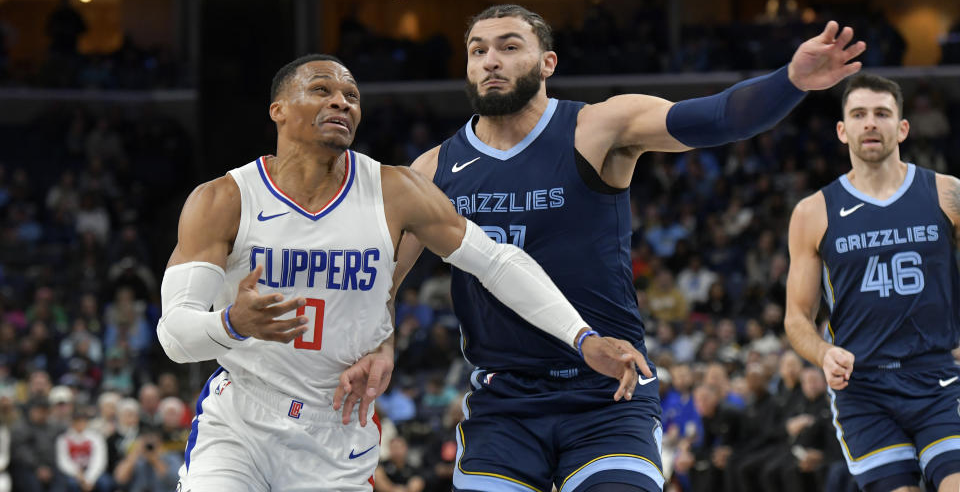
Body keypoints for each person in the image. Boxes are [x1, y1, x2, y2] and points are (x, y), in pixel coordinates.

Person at [337, 4, 865, 492]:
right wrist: (382, 343)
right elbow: (381, 280)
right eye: (478, 50)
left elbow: (717, 117)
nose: (490, 61)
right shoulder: (433, 170)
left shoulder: (596, 128)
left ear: (548, 62)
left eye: (508, 46)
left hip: (607, 392)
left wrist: (790, 80)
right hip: (504, 403)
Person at [157, 54, 644, 492]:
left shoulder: (394, 189)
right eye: (322, 90)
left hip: (338, 426)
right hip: (243, 418)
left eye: (352, 96)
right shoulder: (223, 199)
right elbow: (175, 337)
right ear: (278, 109)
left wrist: (582, 337)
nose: (342, 103)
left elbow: (496, 262)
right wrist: (231, 324)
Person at [784, 73, 960, 492]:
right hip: (862, 387)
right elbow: (796, 318)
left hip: (938, 377)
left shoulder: (946, 194)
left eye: (882, 113)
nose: (870, 123)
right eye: (859, 114)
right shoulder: (813, 212)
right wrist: (823, 354)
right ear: (842, 130)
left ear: (902, 127)